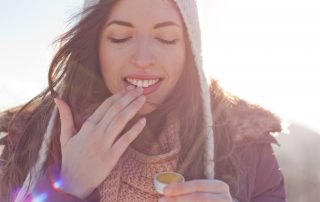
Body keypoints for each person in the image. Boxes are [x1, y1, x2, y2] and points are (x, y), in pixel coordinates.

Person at [0, 0, 286, 201]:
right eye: (121, 37)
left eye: (165, 38)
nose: (143, 59)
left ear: (190, 51)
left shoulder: (244, 146)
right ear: (95, 45)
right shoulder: (29, 141)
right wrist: (68, 186)